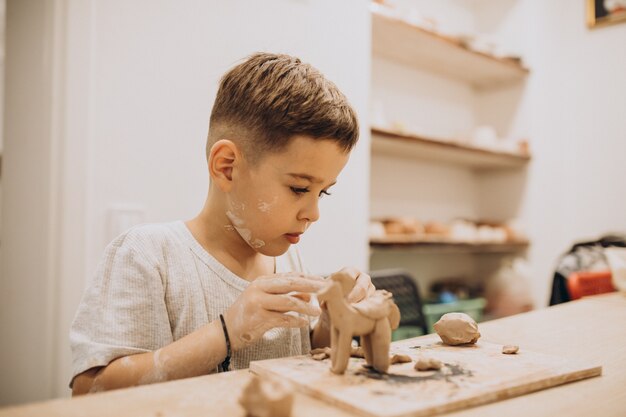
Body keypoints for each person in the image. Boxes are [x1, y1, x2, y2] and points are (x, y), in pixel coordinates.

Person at [70, 52, 374, 395]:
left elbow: (296, 352)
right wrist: (229, 332)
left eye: (324, 193)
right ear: (227, 166)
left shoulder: (286, 259)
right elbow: (89, 390)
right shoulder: (147, 255)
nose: (313, 213)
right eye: (299, 188)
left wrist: (329, 326)